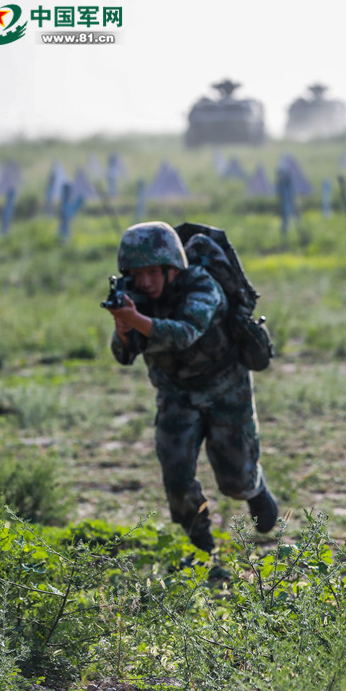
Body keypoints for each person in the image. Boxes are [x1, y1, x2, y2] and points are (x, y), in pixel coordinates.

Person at [106, 221, 277, 554]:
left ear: (173, 268)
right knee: (177, 477)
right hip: (175, 393)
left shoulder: (202, 286)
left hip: (225, 385)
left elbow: (184, 332)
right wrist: (123, 326)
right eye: (137, 273)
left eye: (153, 272)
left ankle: (254, 490)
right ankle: (203, 546)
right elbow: (122, 355)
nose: (145, 282)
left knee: (235, 479)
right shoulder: (135, 296)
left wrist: (135, 319)